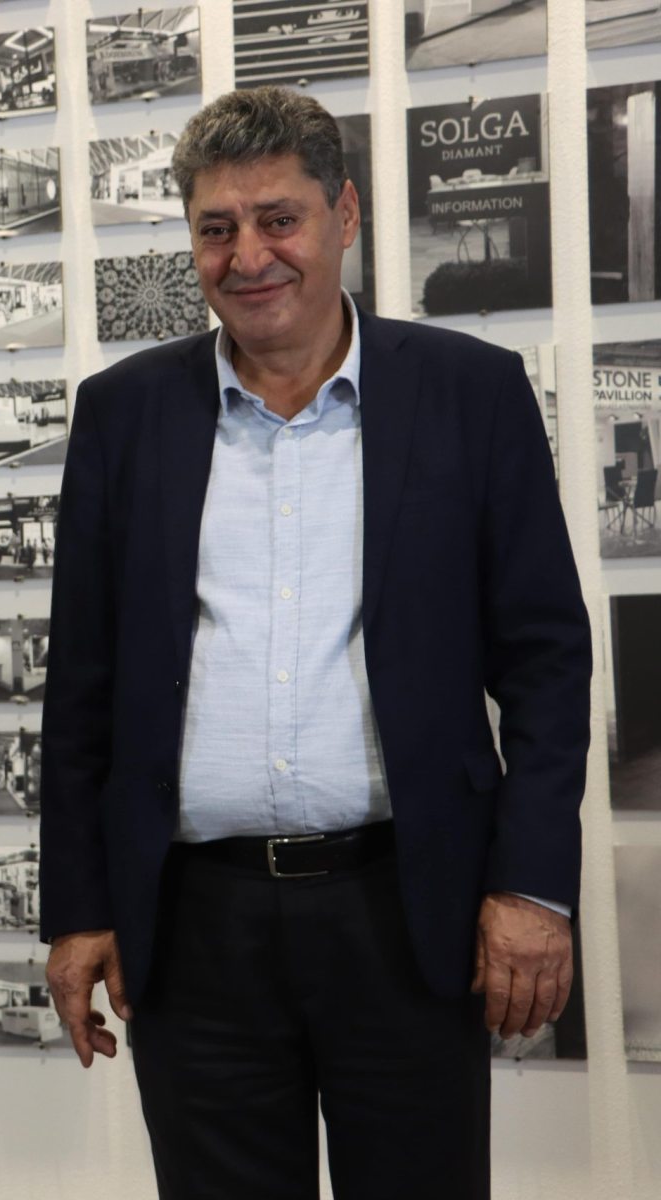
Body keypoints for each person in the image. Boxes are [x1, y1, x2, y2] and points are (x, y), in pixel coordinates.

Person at [39, 87, 590, 1199]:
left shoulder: (469, 393)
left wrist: (533, 887)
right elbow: (84, 683)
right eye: (217, 227)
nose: (248, 257)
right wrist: (79, 907)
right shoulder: (124, 413)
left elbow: (544, 659)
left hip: (408, 910)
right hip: (196, 927)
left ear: (344, 215)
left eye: (278, 219)